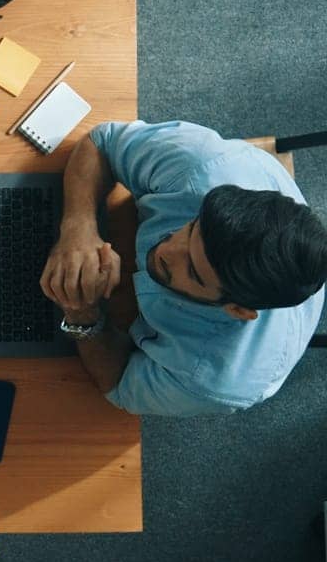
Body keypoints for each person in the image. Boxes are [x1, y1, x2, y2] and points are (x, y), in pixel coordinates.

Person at [40, 120, 327, 416]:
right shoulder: (205, 163)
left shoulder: (215, 382)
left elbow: (121, 383)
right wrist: (79, 225)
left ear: (237, 310)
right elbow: (102, 142)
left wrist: (84, 315)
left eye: (192, 271)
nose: (165, 250)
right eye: (191, 229)